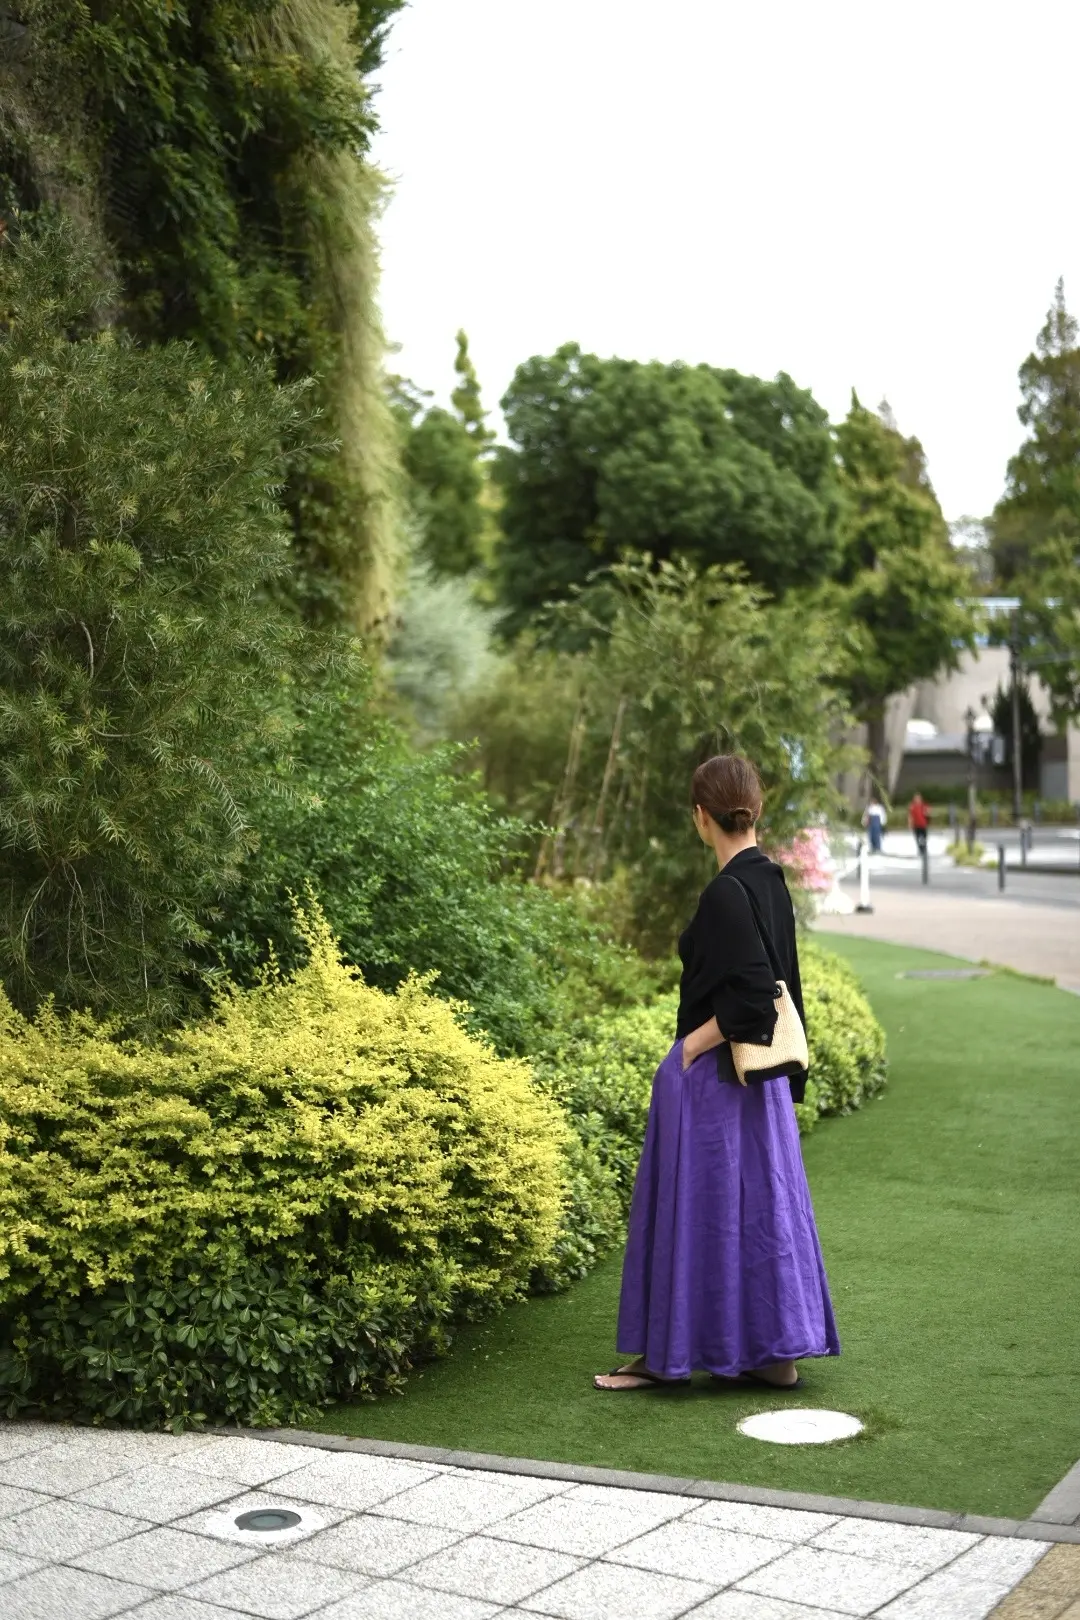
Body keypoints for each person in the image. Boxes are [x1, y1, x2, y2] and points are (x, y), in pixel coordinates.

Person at [594, 754, 840, 1393]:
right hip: (761, 1089)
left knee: (701, 1214)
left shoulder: (727, 890)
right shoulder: (771, 882)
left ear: (702, 817)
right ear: (754, 809)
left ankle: (666, 1356)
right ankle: (770, 1353)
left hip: (715, 1081)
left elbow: (756, 996)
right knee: (754, 1212)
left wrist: (689, 1049)